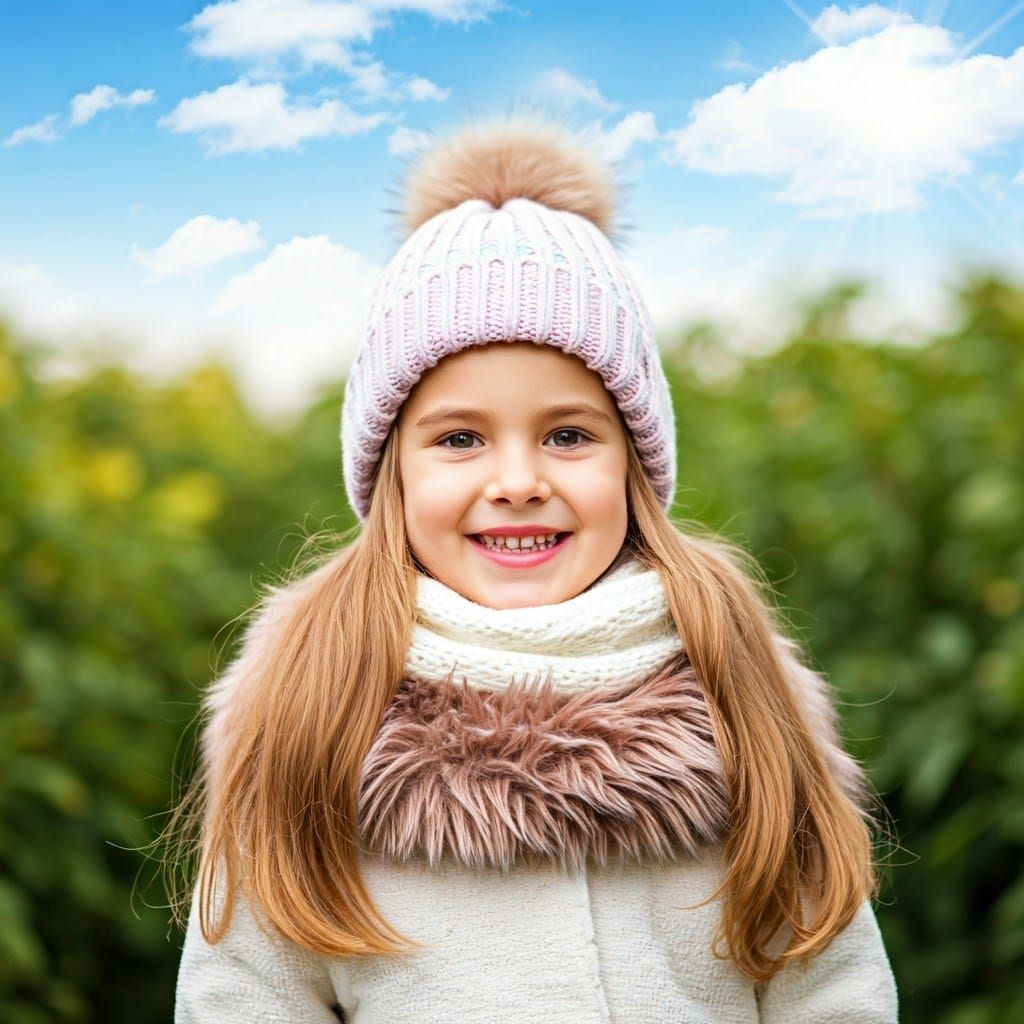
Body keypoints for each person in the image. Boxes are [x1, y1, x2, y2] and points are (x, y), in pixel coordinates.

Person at [170, 116, 899, 1022]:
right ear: (391, 467)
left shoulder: (733, 678)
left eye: (567, 435)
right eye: (461, 438)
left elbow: (832, 990)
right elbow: (244, 997)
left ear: (634, 462)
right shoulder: (309, 698)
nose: (517, 483)